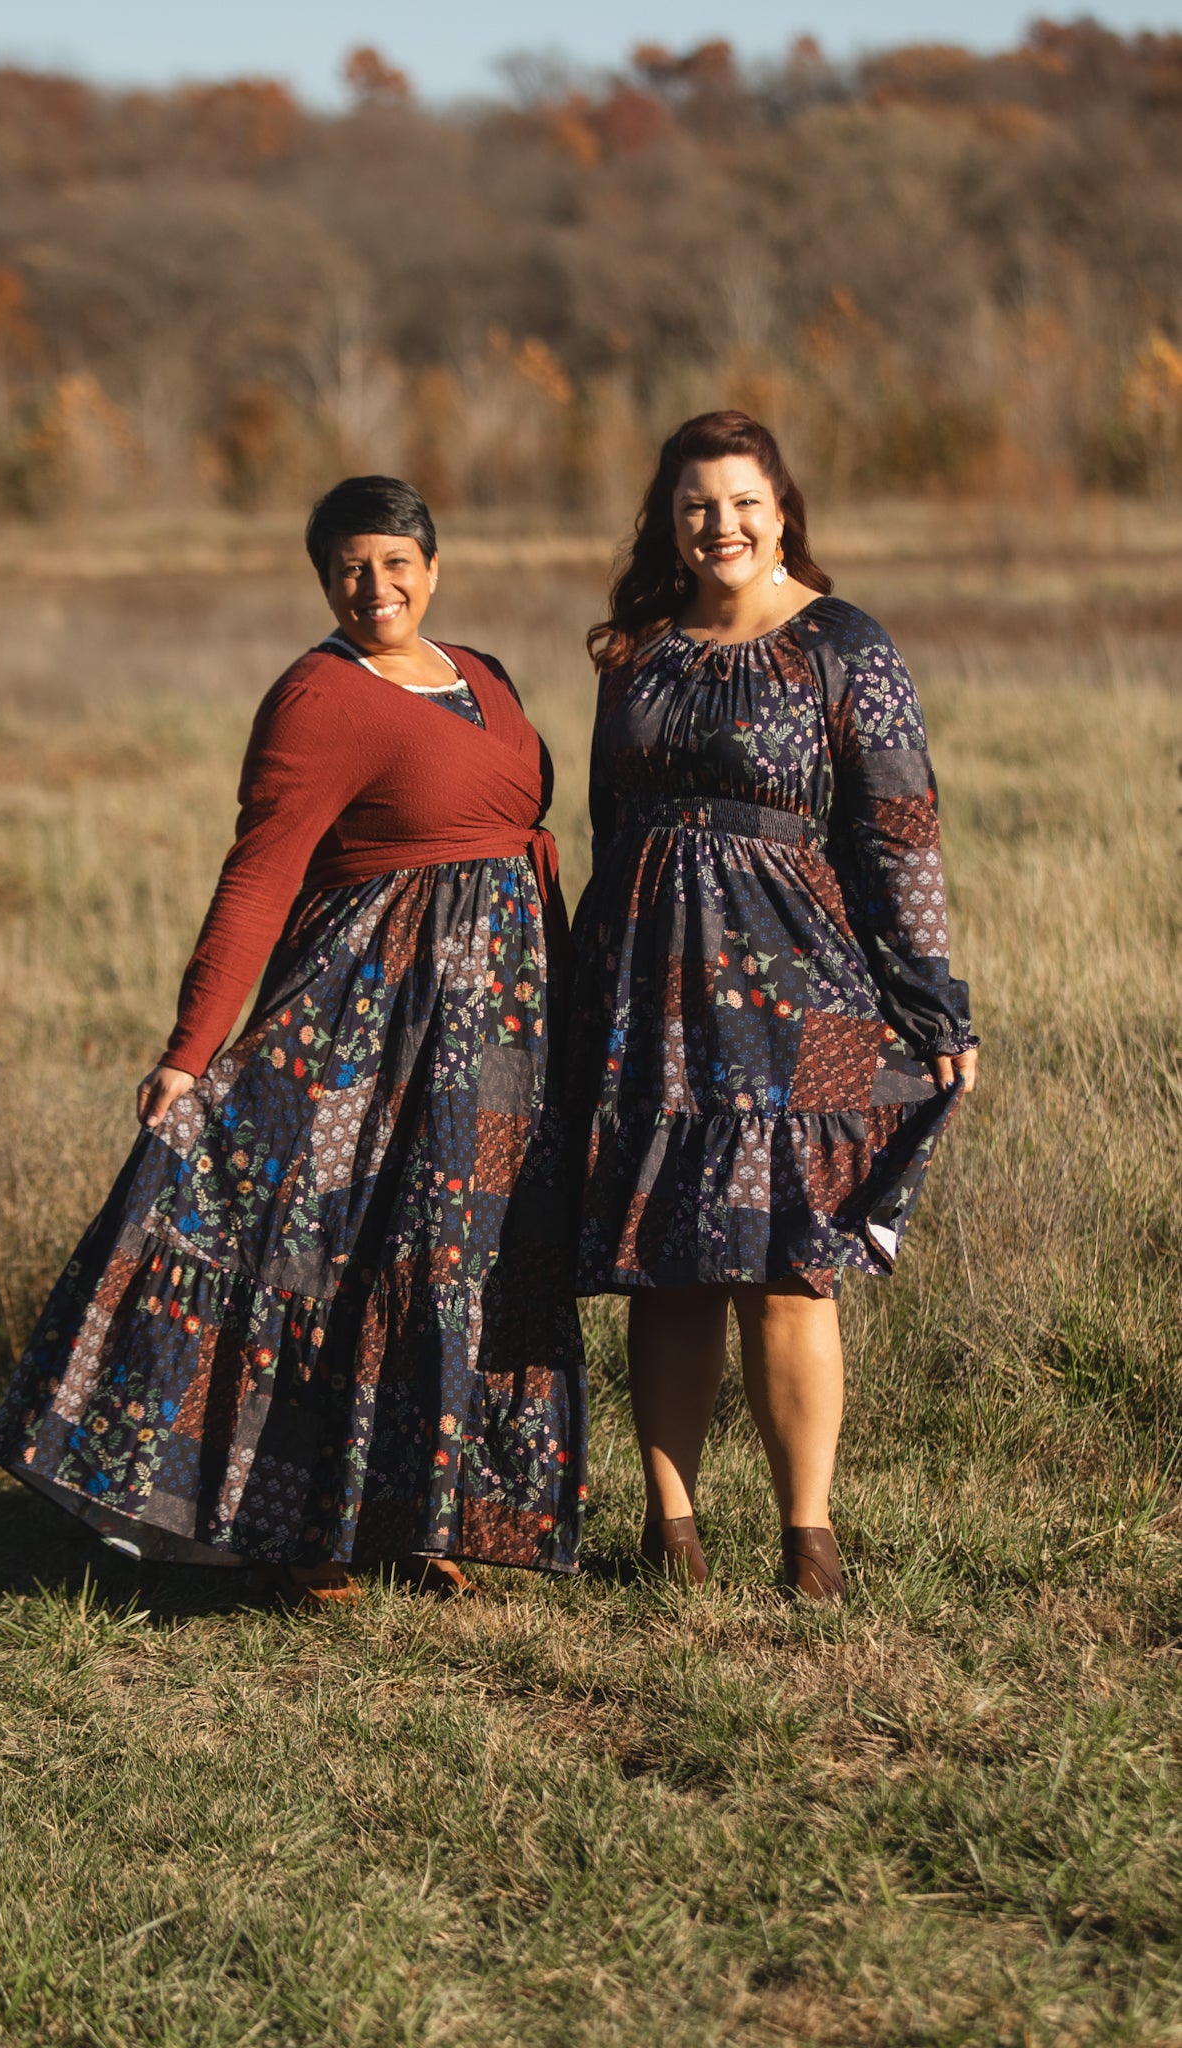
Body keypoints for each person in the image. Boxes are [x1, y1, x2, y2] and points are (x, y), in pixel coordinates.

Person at [0, 475, 586, 1603]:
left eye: (397, 562)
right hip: (368, 1007)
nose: (377, 586)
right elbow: (259, 872)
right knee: (321, 1245)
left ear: (433, 566)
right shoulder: (317, 694)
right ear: (323, 580)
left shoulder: (486, 673)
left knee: (453, 1254)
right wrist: (191, 1045)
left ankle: (412, 1512)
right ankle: (296, 1526)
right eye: (351, 567)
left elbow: (518, 826)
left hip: (496, 1015)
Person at [568, 411, 978, 1601]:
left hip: (798, 988)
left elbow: (900, 829)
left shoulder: (844, 643)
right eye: (697, 503)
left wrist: (933, 1003)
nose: (722, 524)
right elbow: (608, 825)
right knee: (671, 1263)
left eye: (744, 500)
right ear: (669, 519)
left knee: (792, 1265)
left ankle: (809, 1539)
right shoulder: (639, 650)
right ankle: (673, 1531)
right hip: (652, 988)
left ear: (783, 506)